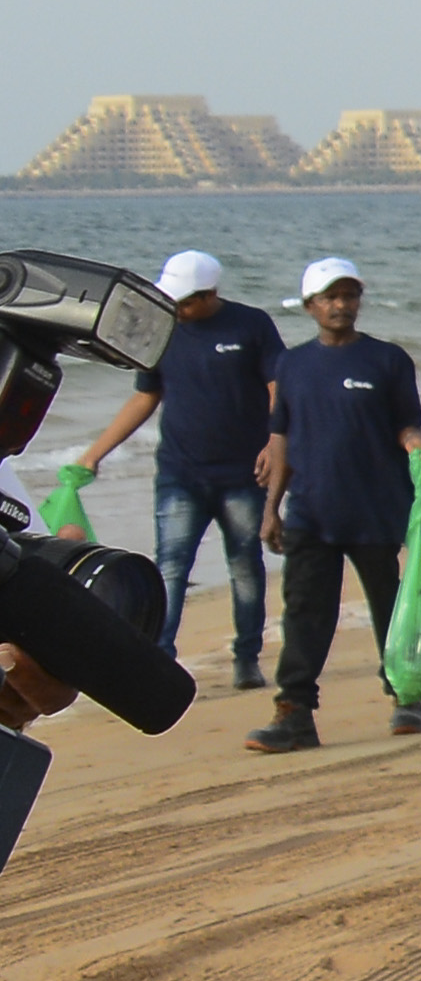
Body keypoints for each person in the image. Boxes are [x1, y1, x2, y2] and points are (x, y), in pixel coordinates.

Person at [64, 249, 278, 694]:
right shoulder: (161, 330)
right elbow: (146, 395)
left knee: (244, 565)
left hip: (243, 474)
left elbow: (278, 386)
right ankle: (159, 658)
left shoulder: (251, 325)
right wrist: (94, 453)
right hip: (180, 473)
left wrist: (275, 443)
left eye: (184, 302)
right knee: (171, 567)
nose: (176, 309)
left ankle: (247, 658)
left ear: (210, 294)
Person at [246, 259, 421, 751]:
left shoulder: (387, 360)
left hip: (375, 507)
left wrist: (417, 447)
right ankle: (294, 714)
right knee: (304, 612)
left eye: (349, 296)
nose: (341, 305)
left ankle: (406, 697)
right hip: (311, 511)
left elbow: (407, 424)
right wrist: (271, 508)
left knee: (389, 607)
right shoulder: (292, 365)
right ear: (310, 306)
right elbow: (281, 437)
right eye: (330, 297)